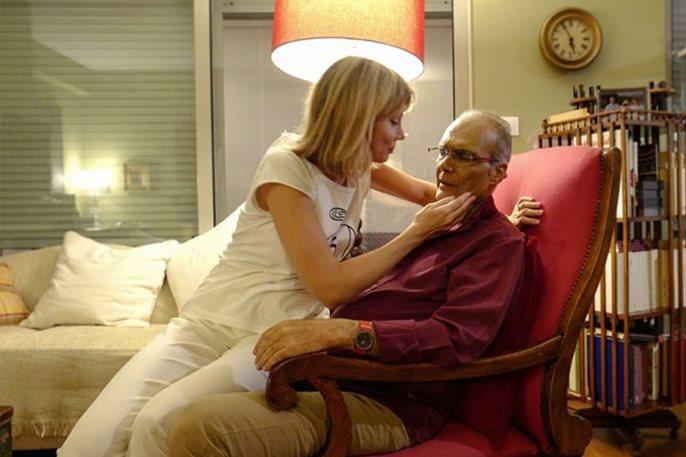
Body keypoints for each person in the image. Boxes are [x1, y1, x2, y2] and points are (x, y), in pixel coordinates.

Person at [58, 57, 540, 457]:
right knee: (91, 443)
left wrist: (500, 218)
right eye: (394, 120)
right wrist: (419, 232)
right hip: (213, 321)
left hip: (275, 335)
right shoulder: (288, 166)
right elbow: (330, 285)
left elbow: (439, 198)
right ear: (359, 117)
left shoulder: (362, 167)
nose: (403, 133)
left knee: (158, 425)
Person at [168, 110, 525, 457]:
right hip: (328, 376)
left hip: (387, 401)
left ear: (497, 172)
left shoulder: (497, 244)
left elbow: (456, 338)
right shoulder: (437, 225)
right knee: (176, 408)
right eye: (443, 151)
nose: (445, 164)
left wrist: (343, 332)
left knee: (197, 427)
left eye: (463, 156)